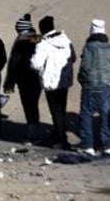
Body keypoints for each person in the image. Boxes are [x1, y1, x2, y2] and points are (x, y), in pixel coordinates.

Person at [77, 18, 110, 157]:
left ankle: (88, 145)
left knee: (86, 115)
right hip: (107, 87)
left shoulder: (89, 47)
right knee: (105, 116)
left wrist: (82, 80)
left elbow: (85, 68)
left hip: (91, 85)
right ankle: (107, 146)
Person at [30, 15, 75, 149]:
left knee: (55, 111)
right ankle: (58, 135)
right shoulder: (66, 40)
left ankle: (61, 140)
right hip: (64, 81)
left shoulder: (43, 44)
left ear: (42, 29)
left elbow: (36, 63)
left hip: (51, 82)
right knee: (61, 110)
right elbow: (72, 57)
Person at [3, 14, 42, 144]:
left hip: (25, 79)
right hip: (38, 78)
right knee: (34, 105)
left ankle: (33, 135)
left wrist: (10, 82)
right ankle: (36, 132)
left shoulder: (21, 41)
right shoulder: (38, 38)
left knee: (29, 106)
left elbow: (14, 62)